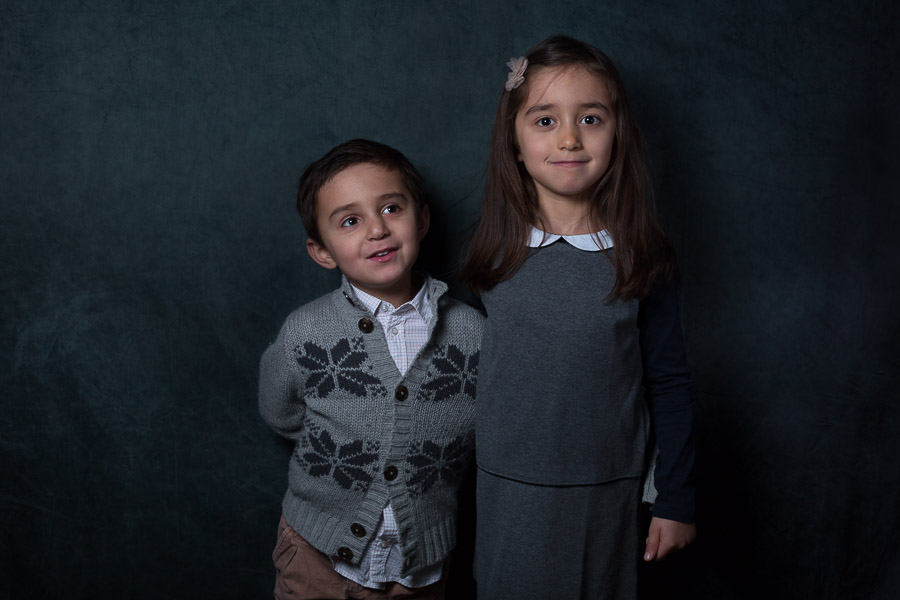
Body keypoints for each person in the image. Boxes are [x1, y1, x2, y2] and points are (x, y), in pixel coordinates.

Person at [460, 36, 697, 599]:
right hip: (507, 490)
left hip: (606, 491)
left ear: (617, 134)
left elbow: (668, 383)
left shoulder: (643, 258)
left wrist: (677, 499)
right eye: (545, 120)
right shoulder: (492, 256)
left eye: (590, 118)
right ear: (514, 142)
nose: (569, 138)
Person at [259, 139, 484, 599]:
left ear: (421, 219)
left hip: (419, 568)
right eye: (350, 220)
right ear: (322, 251)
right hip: (315, 556)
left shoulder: (472, 332)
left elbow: (486, 426)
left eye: (391, 209)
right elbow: (280, 411)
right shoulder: (306, 331)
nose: (377, 230)